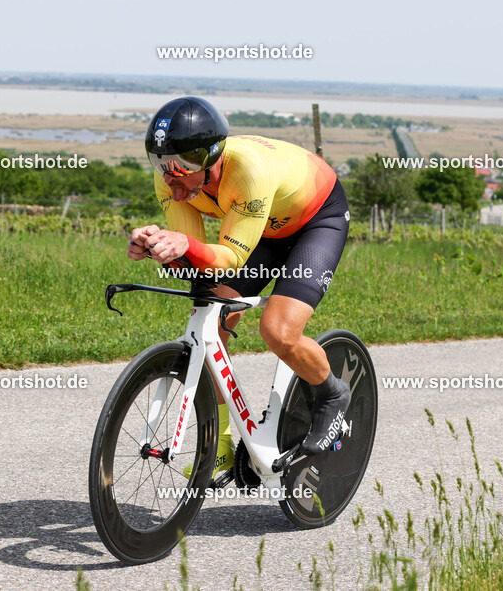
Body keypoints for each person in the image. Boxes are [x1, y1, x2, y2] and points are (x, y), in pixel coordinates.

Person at [127, 96, 352, 480]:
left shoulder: (247, 171)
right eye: (160, 164)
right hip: (264, 228)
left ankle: (332, 392)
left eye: (180, 166)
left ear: (210, 158)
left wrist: (184, 246)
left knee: (278, 331)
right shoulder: (174, 176)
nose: (169, 177)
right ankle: (226, 442)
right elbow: (195, 264)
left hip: (317, 222)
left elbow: (229, 257)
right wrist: (158, 247)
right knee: (211, 321)